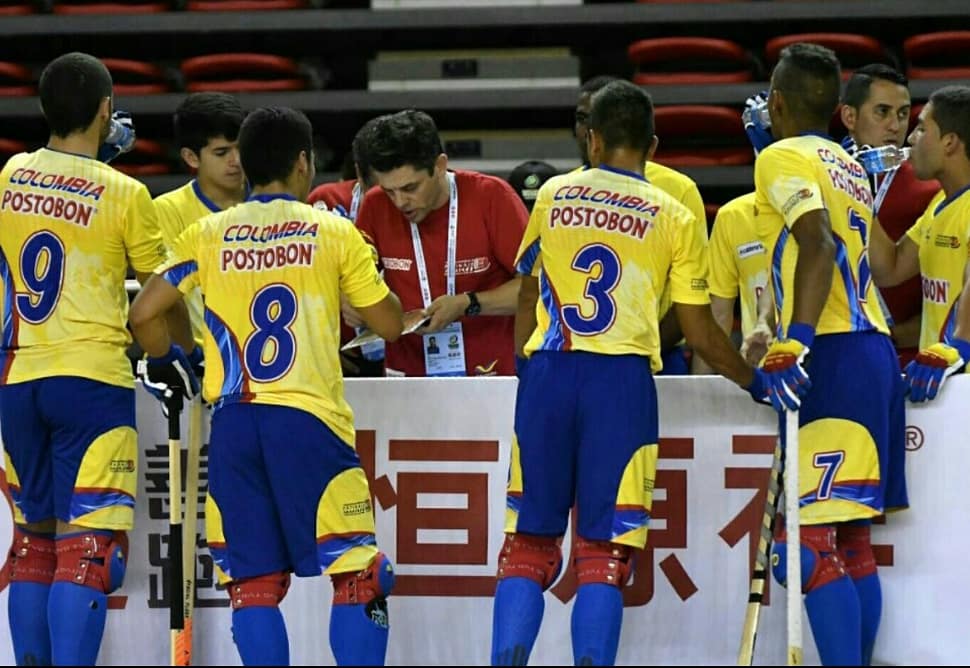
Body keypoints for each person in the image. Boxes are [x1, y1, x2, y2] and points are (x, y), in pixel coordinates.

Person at [490, 79, 779, 667]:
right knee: (603, 554)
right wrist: (754, 382)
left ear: (592, 140)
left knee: (527, 549)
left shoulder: (552, 192)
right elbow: (698, 331)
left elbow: (527, 290)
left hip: (548, 372)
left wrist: (529, 361)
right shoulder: (674, 212)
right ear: (651, 144)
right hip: (620, 385)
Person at [128, 106, 404, 666]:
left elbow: (142, 314)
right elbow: (390, 325)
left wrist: (176, 361)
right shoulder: (332, 230)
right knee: (358, 577)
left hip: (232, 423)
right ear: (303, 163)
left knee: (251, 586)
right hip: (308, 422)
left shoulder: (206, 231)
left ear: (246, 165)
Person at [0, 51, 196, 666]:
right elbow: (158, 294)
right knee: (87, 550)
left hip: (15, 376)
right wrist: (183, 355)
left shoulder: (9, 173)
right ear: (108, 111)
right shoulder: (126, 192)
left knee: (32, 544)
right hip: (89, 382)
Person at [753, 43, 908, 666]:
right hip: (875, 350)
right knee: (851, 543)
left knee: (808, 544)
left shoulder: (782, 155)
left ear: (780, 103)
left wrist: (797, 340)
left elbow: (816, 245)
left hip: (835, 351)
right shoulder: (847, 165)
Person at [354, 109, 528, 377]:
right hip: (407, 377)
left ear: (440, 166)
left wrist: (467, 303)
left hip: (489, 373)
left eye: (411, 188)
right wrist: (354, 307)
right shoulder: (375, 205)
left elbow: (537, 287)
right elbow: (355, 285)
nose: (400, 202)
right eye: (390, 190)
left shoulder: (492, 197)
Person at [574, 75, 707, 375]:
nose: (586, 131)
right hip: (580, 357)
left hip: (659, 354)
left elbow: (692, 293)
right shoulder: (562, 192)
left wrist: (644, 352)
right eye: (581, 119)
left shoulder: (679, 190)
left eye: (594, 121)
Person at [867, 84, 970, 403]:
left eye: (922, 128)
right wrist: (853, 190)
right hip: (940, 379)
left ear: (949, 142)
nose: (911, 139)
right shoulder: (940, 203)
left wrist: (960, 346)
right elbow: (890, 269)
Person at [840, 64, 942, 367]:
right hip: (838, 349)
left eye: (902, 113)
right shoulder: (824, 175)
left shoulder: (929, 186)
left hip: (914, 357)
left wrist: (897, 335)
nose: (896, 125)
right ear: (849, 116)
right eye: (882, 112)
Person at [154, 91, 247, 347]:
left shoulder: (271, 202)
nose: (236, 161)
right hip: (199, 361)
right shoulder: (166, 210)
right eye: (222, 152)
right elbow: (164, 303)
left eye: (241, 147)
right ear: (191, 157)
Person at [308, 116, 389, 378]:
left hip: (413, 352)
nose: (398, 200)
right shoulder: (325, 202)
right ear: (359, 175)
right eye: (385, 190)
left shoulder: (421, 204)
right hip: (342, 358)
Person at [691, 191, 771, 373]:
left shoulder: (827, 207)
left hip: (822, 359)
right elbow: (718, 315)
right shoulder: (734, 215)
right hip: (760, 366)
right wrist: (701, 389)